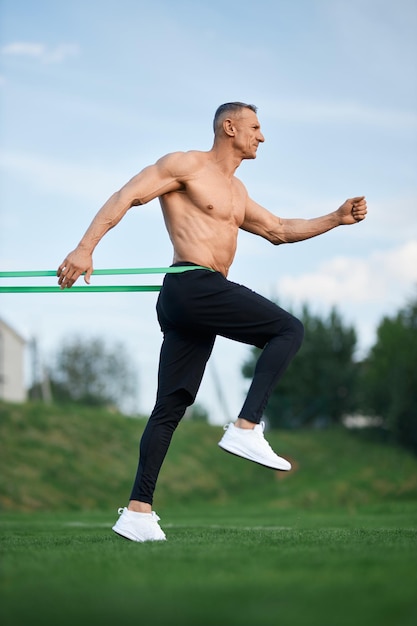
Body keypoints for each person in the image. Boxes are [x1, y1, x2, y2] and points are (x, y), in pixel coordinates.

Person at [57, 102, 367, 542]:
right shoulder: (185, 165)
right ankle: (246, 427)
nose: (261, 136)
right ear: (230, 127)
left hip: (195, 298)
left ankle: (138, 511)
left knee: (171, 406)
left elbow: (279, 229)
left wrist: (335, 219)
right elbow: (125, 195)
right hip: (192, 284)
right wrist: (85, 248)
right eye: (255, 127)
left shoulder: (236, 192)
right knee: (288, 329)